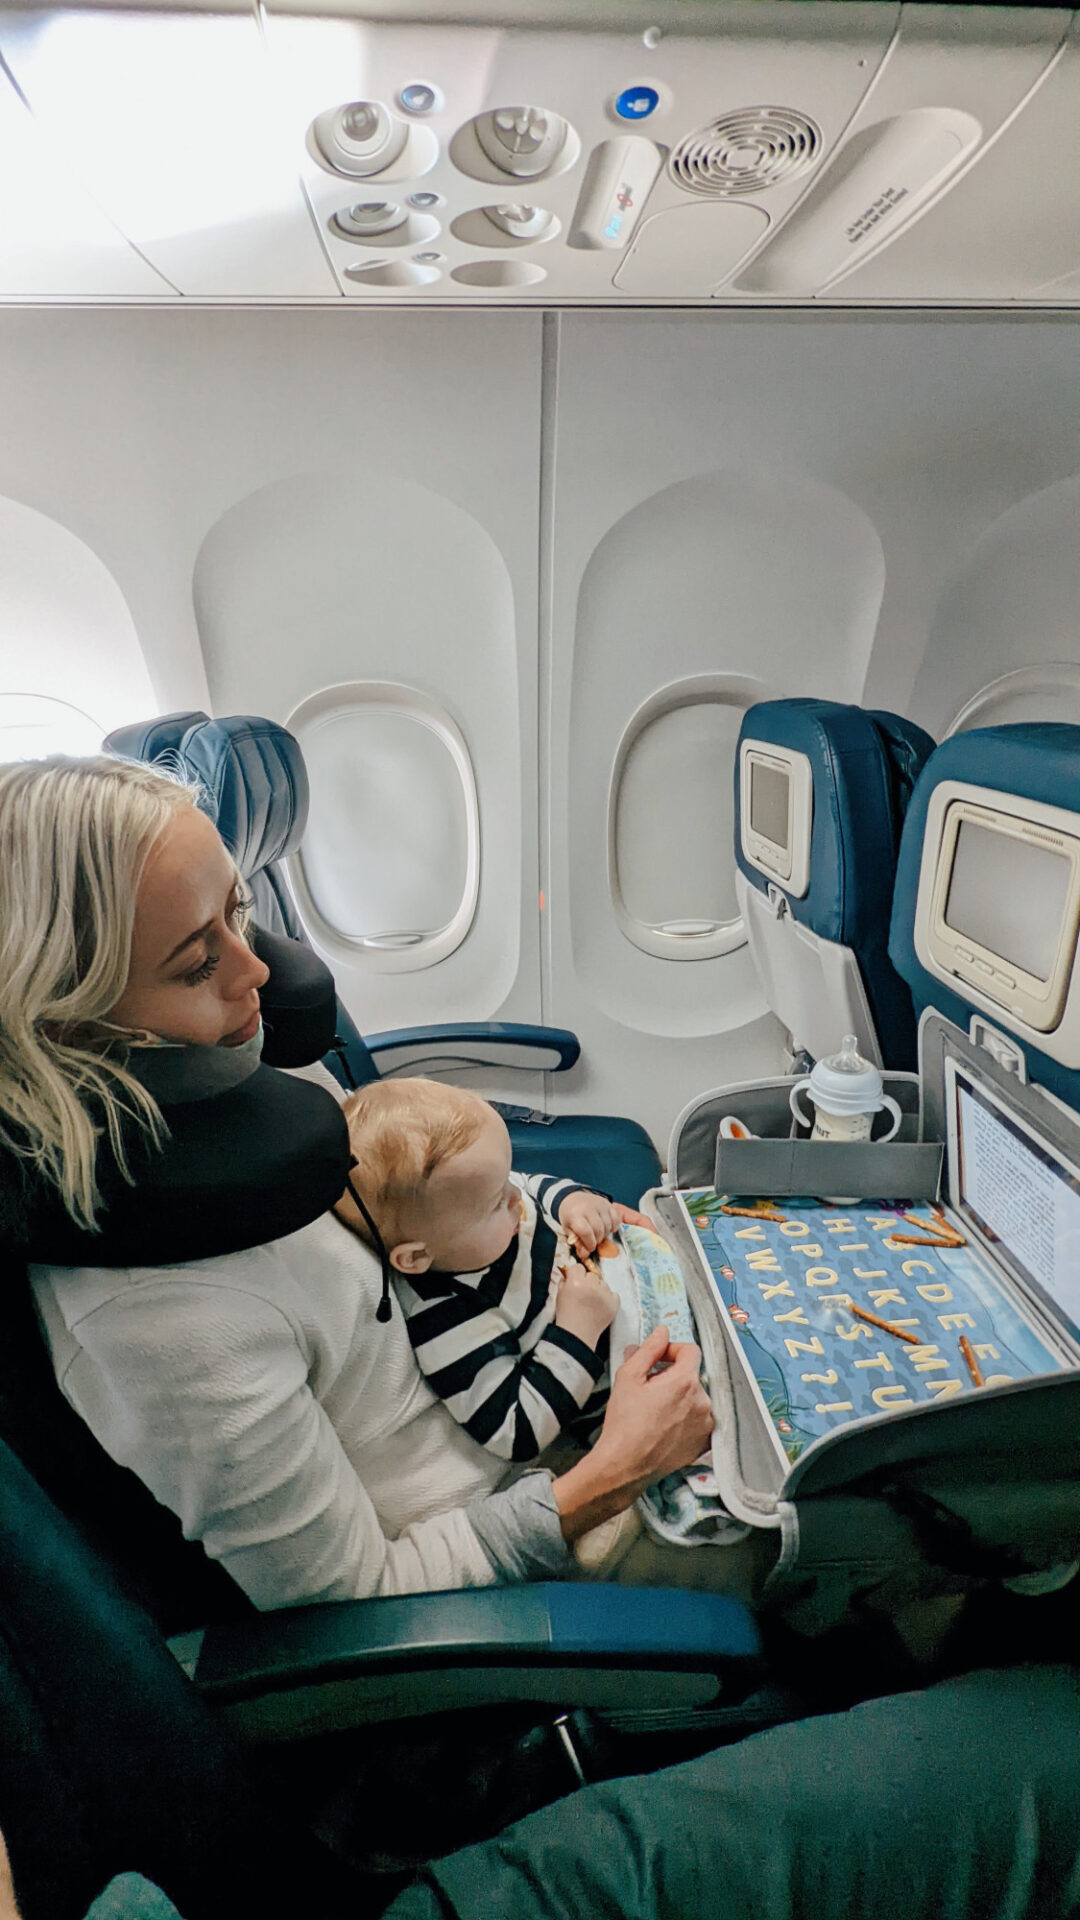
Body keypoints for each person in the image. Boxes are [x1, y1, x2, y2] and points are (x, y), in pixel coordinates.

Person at [2, 754, 746, 1612]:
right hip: (533, 1524)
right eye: (197, 965)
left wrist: (551, 1204)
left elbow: (410, 1181)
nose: (257, 973)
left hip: (558, 1378)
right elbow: (352, 1593)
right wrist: (620, 1469)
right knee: (853, 1514)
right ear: (69, 1026)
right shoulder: (154, 1322)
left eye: (238, 914)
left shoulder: (238, 1082)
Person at [334, 1077, 631, 1463]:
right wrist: (579, 1329)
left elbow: (530, 1185)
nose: (516, 1196)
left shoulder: (483, 1202)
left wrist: (574, 1202)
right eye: (495, 1202)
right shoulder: (451, 1316)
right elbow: (516, 1430)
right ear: (417, 1257)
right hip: (621, 1390)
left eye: (506, 1178)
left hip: (639, 1280)